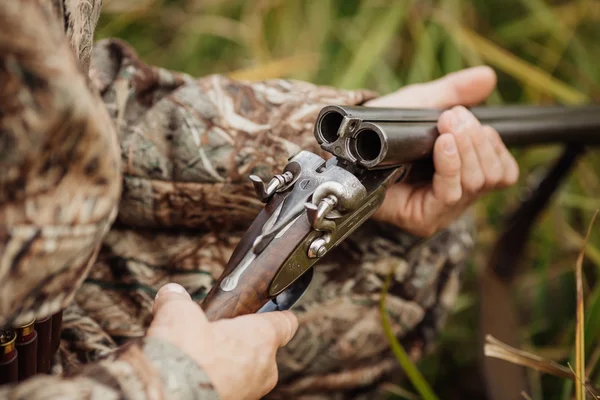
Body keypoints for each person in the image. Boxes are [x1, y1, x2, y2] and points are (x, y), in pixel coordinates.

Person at [0, 1, 518, 399]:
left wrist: (310, 134)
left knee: (409, 250)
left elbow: (87, 106)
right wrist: (182, 381)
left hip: (35, 310)